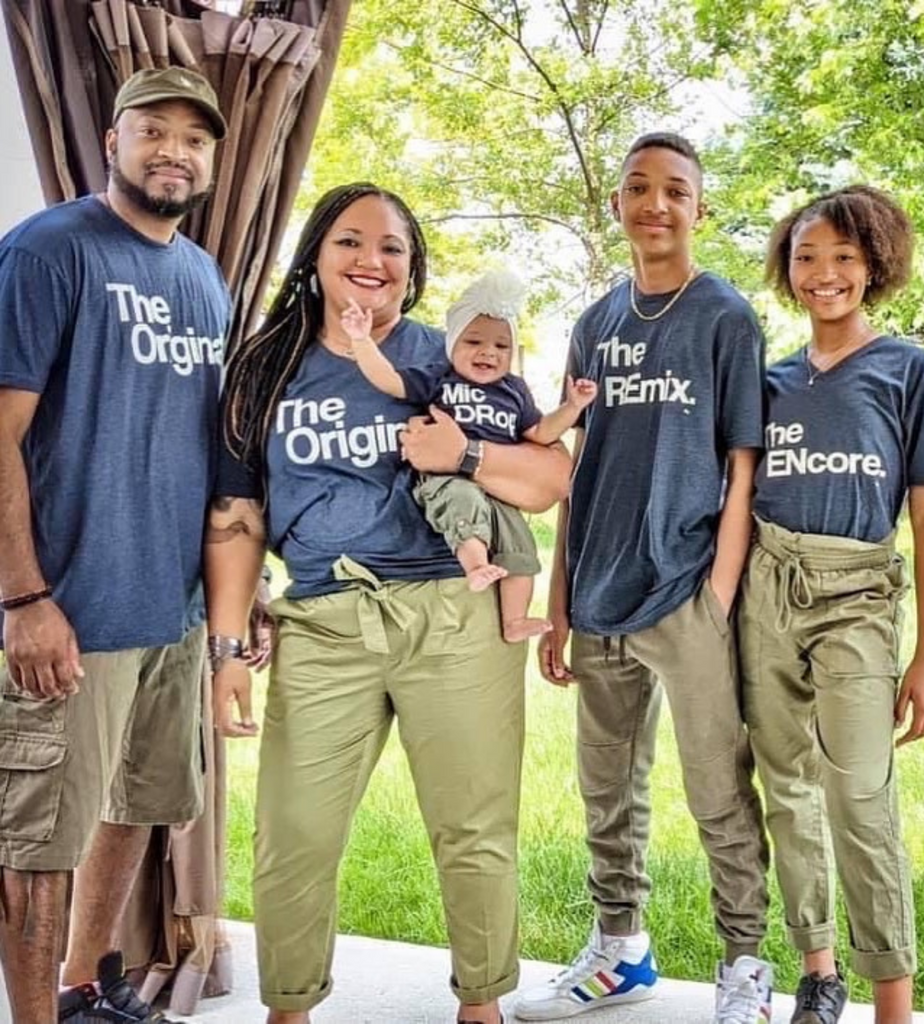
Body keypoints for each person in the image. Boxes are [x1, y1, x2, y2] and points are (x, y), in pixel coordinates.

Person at [204, 182, 571, 1024]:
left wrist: (466, 451)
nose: (371, 261)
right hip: (326, 622)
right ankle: (288, 1008)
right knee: (294, 836)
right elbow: (236, 520)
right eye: (349, 242)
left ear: (413, 270)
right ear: (315, 258)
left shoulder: (446, 360)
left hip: (451, 613)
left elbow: (550, 478)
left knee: (474, 831)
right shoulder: (263, 367)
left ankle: (482, 1006)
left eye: (393, 248)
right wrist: (227, 650)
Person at [513, 132, 772, 1024]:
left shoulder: (724, 317)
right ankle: (620, 950)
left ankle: (745, 963)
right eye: (638, 188)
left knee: (715, 787)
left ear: (700, 208)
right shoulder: (596, 324)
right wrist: (559, 604)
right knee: (606, 783)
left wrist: (718, 594)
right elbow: (580, 465)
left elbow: (743, 463)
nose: (654, 204)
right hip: (598, 595)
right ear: (618, 204)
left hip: (688, 591)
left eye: (674, 191)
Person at [0, 67, 231, 1024]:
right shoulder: (50, 251)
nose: (175, 150)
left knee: (140, 804)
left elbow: (207, 447)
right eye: (155, 130)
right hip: (72, 611)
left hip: (172, 613)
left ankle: (86, 990)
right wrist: (24, 598)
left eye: (195, 137)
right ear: (112, 139)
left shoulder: (203, 274)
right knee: (38, 847)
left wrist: (225, 600)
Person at [738, 185, 924, 1024]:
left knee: (860, 794)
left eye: (843, 258)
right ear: (787, 271)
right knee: (785, 787)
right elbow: (739, 494)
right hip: (767, 589)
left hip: (857, 594)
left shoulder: (908, 371)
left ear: (875, 266)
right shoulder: (771, 379)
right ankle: (819, 971)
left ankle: (890, 999)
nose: (823, 273)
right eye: (806, 257)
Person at [341, 267, 597, 641]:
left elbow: (541, 433)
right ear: (453, 344)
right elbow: (391, 381)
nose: (487, 353)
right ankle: (475, 564)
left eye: (500, 346)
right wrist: (362, 342)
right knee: (462, 502)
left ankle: (513, 621)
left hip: (497, 487)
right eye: (474, 341)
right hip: (446, 480)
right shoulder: (440, 378)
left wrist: (573, 407)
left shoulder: (514, 391)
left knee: (521, 547)